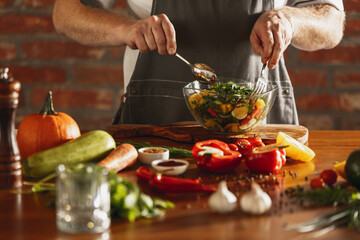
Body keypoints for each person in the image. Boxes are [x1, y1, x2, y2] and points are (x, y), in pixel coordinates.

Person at [52, 0, 345, 125]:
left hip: (260, 131)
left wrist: (289, 20)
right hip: (154, 128)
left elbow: (332, 19)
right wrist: (126, 29)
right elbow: (66, 11)